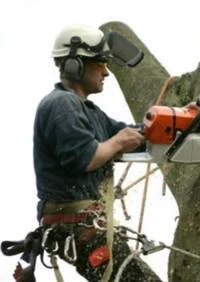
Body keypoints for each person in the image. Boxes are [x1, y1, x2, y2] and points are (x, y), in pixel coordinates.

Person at [33, 24, 162, 281]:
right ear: (75, 65)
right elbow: (84, 158)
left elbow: (132, 136)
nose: (106, 72)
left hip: (87, 224)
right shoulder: (60, 104)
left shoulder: (89, 111)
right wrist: (116, 143)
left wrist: (177, 124)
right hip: (76, 224)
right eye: (100, 63)